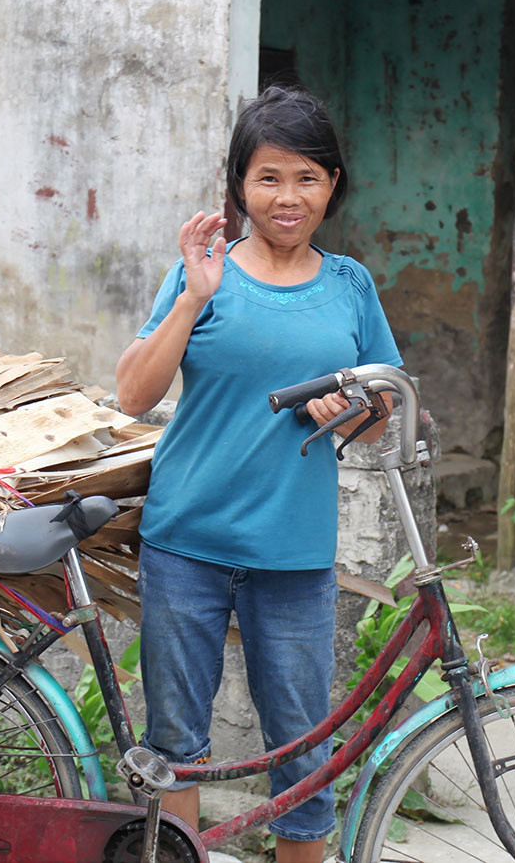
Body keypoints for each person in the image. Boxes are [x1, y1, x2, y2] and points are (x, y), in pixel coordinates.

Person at [115, 86, 403, 862]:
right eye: (269, 177)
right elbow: (133, 393)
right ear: (240, 184)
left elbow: (383, 410)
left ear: (333, 185)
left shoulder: (350, 286)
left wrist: (353, 408)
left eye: (307, 177)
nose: (288, 197)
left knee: (302, 752)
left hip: (295, 554)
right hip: (187, 541)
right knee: (175, 740)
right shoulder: (204, 275)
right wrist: (190, 301)